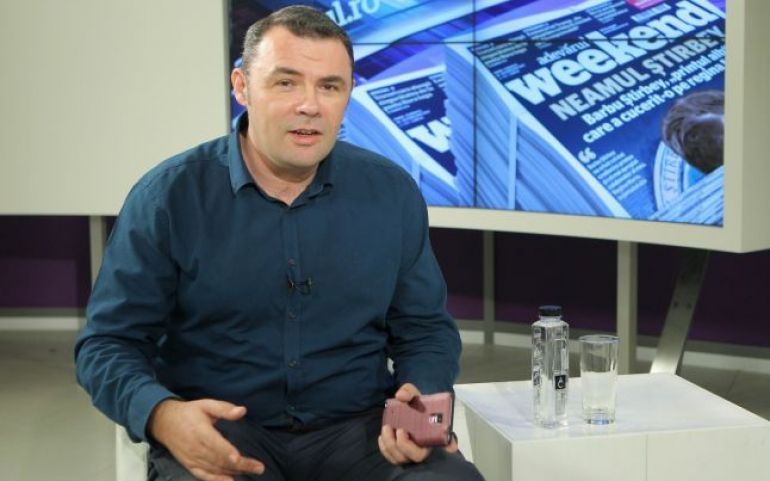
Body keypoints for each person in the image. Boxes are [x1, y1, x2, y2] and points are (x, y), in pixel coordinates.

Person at [75, 5, 484, 481]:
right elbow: (107, 344)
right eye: (286, 83)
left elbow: (425, 329)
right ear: (242, 86)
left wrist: (421, 403)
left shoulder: (391, 193)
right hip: (223, 430)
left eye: (329, 86)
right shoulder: (168, 196)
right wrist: (162, 415)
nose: (309, 105)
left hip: (362, 429)